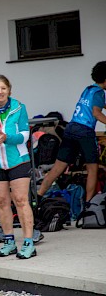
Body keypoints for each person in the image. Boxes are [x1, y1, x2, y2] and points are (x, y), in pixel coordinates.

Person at [0, 74, 36, 259]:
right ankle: (9, 241)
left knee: (21, 200)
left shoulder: (19, 107)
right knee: (2, 203)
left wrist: (8, 138)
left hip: (17, 160)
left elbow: (25, 135)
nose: (0, 92)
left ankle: (28, 243)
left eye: (3, 88)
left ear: (9, 90)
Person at [37, 61, 106, 204]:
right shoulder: (100, 92)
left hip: (71, 128)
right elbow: (96, 112)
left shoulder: (88, 90)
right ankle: (88, 206)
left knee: (57, 168)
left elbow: (96, 105)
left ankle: (37, 197)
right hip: (85, 131)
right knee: (92, 168)